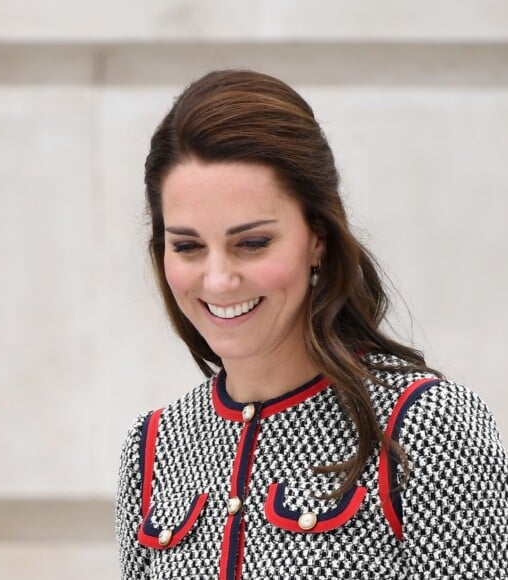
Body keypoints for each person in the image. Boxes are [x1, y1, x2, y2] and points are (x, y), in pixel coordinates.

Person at [116, 69, 508, 579]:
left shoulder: (426, 427)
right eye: (187, 246)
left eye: (252, 243)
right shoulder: (152, 449)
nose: (218, 280)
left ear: (317, 237)